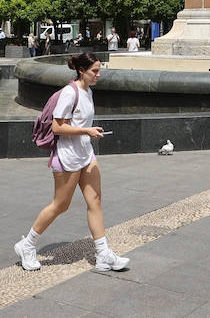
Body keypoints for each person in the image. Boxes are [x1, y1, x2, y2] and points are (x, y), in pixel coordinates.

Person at [13, 51, 129, 273]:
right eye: (94, 71)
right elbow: (57, 127)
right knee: (60, 205)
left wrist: (88, 132)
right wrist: (86, 130)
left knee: (95, 200)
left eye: (99, 70)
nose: (98, 75)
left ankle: (103, 254)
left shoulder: (88, 92)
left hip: (85, 153)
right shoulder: (69, 93)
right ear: (81, 71)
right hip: (68, 157)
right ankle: (27, 245)